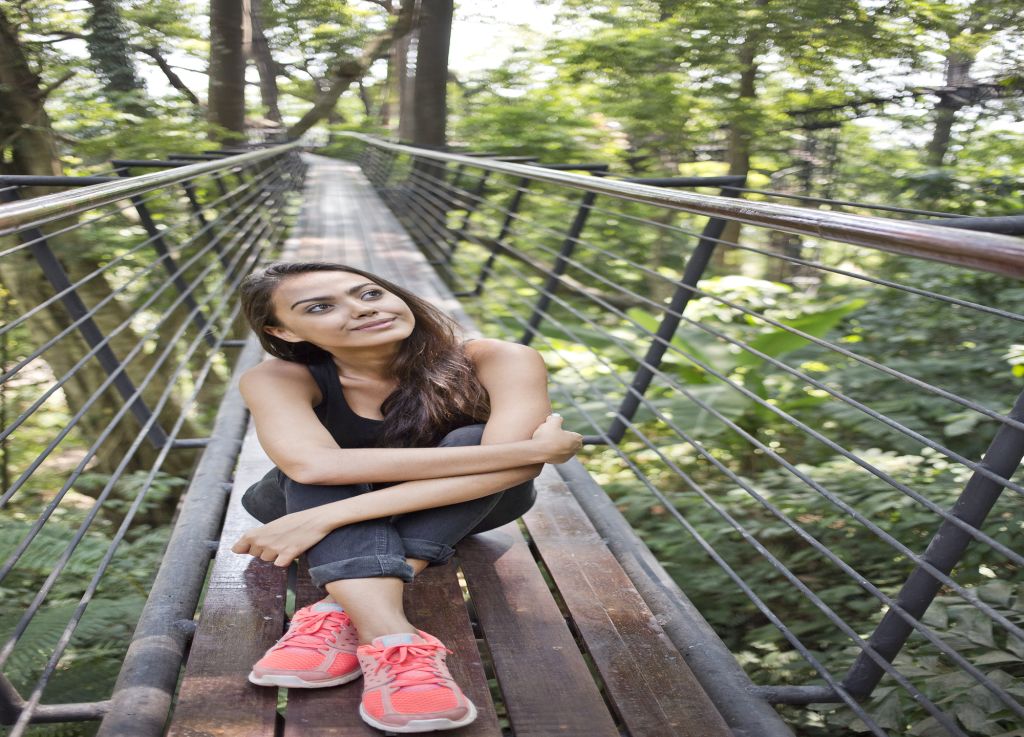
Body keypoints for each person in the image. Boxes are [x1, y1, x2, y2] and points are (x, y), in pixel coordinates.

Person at [229, 261, 583, 734]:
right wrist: (533, 450)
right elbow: (313, 468)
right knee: (330, 467)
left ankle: (340, 608)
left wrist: (328, 518)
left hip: (458, 505)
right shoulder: (276, 377)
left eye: (369, 294)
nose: (361, 310)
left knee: (472, 440)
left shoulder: (500, 358)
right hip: (300, 502)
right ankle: (394, 641)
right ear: (283, 331)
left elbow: (507, 471)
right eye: (319, 308)